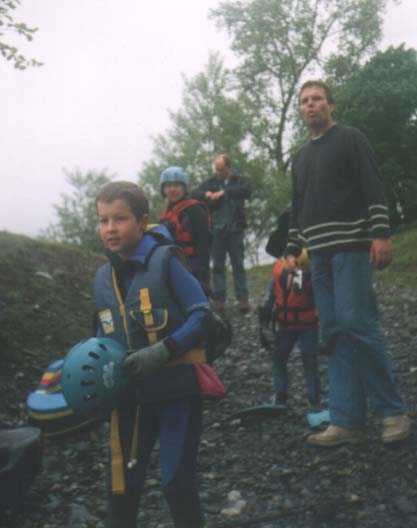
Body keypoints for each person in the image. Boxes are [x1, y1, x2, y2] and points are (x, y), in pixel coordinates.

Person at [286, 80, 410, 446]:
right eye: (305, 101)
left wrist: (382, 234)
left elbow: (372, 185)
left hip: (353, 247)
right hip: (318, 255)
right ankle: (346, 420)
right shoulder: (300, 158)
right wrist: (293, 246)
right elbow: (298, 206)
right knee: (334, 333)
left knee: (358, 324)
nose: (311, 106)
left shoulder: (351, 139)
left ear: (331, 105)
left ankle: (393, 412)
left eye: (317, 100)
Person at [94, 180, 224, 527]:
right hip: (129, 398)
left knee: (175, 482)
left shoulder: (166, 262)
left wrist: (162, 351)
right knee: (122, 483)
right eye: (103, 220)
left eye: (119, 219)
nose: (110, 229)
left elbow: (203, 316)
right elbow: (100, 338)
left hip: (177, 389)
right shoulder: (102, 278)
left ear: (142, 220)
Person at [259, 249, 321, 410]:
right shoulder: (281, 269)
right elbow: (271, 292)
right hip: (289, 325)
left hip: (305, 324)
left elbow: (299, 291)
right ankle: (281, 396)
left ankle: (313, 400)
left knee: (309, 361)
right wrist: (264, 312)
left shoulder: (308, 273)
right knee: (281, 359)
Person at [192, 154, 251, 313]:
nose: (218, 173)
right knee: (218, 266)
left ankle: (243, 298)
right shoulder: (210, 183)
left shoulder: (240, 180)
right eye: (217, 170)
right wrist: (206, 195)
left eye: (222, 170)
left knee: (238, 264)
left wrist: (224, 193)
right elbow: (194, 193)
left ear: (229, 168)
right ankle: (219, 298)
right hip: (217, 230)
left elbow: (246, 191)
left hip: (236, 229)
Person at [159, 166, 211, 294]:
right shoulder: (167, 213)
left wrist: (203, 273)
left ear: (184, 188)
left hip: (193, 266)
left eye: (177, 185)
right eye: (168, 186)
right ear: (164, 189)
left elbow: (204, 242)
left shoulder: (194, 210)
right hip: (173, 264)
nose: (172, 189)